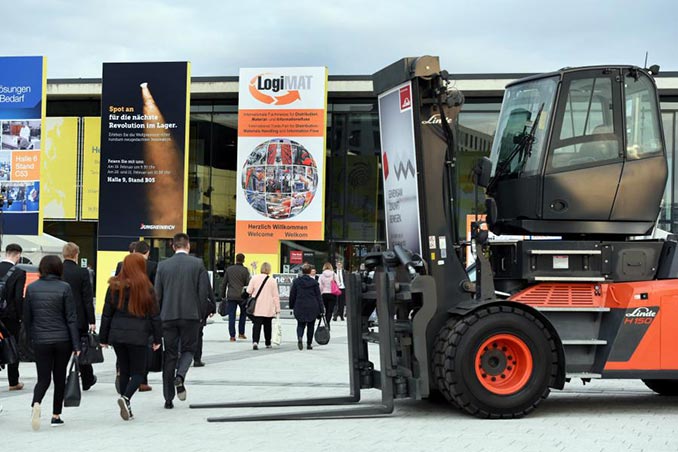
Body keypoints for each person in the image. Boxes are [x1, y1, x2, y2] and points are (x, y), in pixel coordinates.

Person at [99, 253, 162, 421]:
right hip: (139, 335)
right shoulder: (146, 287)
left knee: (124, 369)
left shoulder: (114, 286)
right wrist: (157, 338)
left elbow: (107, 315)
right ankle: (126, 398)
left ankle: (126, 402)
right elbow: (155, 316)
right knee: (139, 373)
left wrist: (103, 338)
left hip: (118, 335)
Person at [23, 255, 80, 431]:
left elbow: (27, 318)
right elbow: (71, 318)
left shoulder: (32, 289)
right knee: (59, 377)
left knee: (43, 378)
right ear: (58, 269)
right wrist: (76, 344)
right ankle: (56, 415)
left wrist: (31, 338)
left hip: (41, 340)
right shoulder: (65, 287)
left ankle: (36, 403)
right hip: (62, 340)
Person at [155, 233, 211, 409]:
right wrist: (201, 315)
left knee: (170, 354)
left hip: (168, 316)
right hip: (190, 316)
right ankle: (180, 376)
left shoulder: (162, 266)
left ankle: (168, 399)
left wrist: (157, 318)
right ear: (188, 246)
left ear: (173, 246)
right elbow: (203, 293)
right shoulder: (197, 264)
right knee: (189, 349)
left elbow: (157, 295)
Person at [115, 240, 156, 392]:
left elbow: (108, 312)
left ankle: (122, 380)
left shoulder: (120, 269)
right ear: (147, 252)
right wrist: (157, 335)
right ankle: (129, 394)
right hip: (140, 323)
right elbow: (154, 310)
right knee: (139, 364)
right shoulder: (151, 268)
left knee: (124, 363)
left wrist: (104, 337)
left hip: (120, 328)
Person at [61, 242, 97, 391]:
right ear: (76, 254)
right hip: (78, 317)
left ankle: (60, 378)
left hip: (60, 316)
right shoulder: (82, 272)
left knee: (62, 350)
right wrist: (92, 320)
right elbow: (87, 298)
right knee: (81, 348)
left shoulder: (57, 270)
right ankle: (87, 378)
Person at [0, 243, 27, 391]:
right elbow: (18, 298)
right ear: (18, 255)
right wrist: (21, 317)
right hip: (9, 317)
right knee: (12, 346)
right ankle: (13, 381)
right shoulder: (18, 273)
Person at [289, 263, 323, 350]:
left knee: (300, 324)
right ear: (309, 271)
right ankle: (309, 344)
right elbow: (318, 297)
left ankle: (300, 337)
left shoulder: (296, 282)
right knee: (311, 325)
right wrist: (321, 309)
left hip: (300, 305)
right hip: (312, 306)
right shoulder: (314, 283)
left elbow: (292, 295)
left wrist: (291, 306)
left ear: (302, 271)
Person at [246, 262, 280, 350]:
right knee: (268, 326)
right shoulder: (272, 281)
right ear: (269, 269)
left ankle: (255, 342)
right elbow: (275, 296)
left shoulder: (254, 278)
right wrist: (277, 309)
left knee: (257, 325)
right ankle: (268, 342)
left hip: (257, 306)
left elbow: (249, 291)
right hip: (269, 307)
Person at [219, 253, 250, 342]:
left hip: (231, 295)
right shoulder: (245, 270)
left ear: (236, 259)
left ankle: (232, 336)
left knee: (231, 315)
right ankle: (241, 333)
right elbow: (247, 284)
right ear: (243, 260)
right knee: (243, 314)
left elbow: (224, 283)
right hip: (241, 296)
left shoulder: (229, 269)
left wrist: (222, 296)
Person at [318, 262, 339, 328]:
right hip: (332, 294)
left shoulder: (321, 275)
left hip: (324, 294)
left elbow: (320, 286)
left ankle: (326, 322)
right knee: (330, 310)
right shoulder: (334, 274)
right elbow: (338, 284)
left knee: (326, 309)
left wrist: (321, 292)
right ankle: (328, 322)